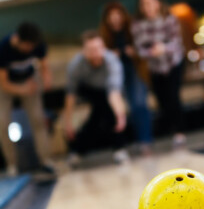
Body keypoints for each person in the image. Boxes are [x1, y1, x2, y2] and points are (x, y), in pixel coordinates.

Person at [64, 30, 127, 166]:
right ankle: (118, 148)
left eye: (99, 48)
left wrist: (120, 115)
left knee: (106, 112)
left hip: (106, 91)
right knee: (102, 108)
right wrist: (68, 122)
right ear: (83, 51)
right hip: (87, 89)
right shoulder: (75, 66)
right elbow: (71, 95)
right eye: (91, 50)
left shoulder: (112, 61)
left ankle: (78, 150)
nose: (96, 53)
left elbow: (114, 92)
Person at [132, 0, 186, 147]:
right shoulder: (138, 25)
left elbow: (177, 43)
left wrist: (163, 48)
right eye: (143, 4)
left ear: (157, 3)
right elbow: (139, 49)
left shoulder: (170, 19)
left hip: (173, 63)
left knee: (173, 96)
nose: (146, 6)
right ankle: (171, 129)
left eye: (149, 3)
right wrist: (151, 52)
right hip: (155, 67)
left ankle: (180, 132)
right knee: (161, 100)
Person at [0, 22, 54, 177]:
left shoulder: (38, 45)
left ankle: (46, 161)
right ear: (18, 39)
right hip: (6, 86)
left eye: (33, 46)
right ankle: (12, 164)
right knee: (3, 123)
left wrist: (46, 79)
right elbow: (3, 83)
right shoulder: (4, 48)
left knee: (38, 119)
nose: (30, 49)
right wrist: (23, 90)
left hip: (29, 80)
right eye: (28, 46)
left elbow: (44, 65)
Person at [100, 1, 152, 156]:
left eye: (118, 15)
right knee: (120, 108)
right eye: (111, 16)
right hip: (116, 74)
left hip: (134, 70)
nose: (115, 19)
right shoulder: (105, 36)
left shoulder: (133, 29)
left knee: (139, 104)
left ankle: (145, 142)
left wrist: (134, 52)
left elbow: (145, 48)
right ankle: (128, 143)